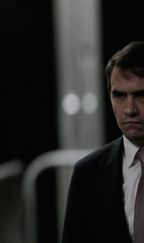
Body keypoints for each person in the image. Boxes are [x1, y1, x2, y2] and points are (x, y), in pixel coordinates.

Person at [62, 41, 144, 243]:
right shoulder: (88, 173)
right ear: (109, 95)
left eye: (141, 95)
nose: (129, 109)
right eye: (119, 95)